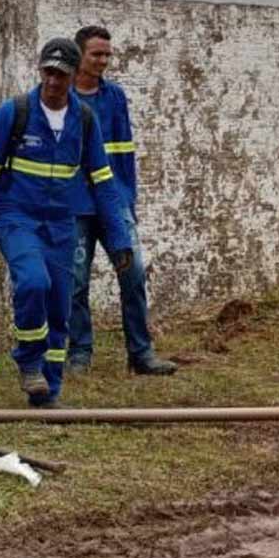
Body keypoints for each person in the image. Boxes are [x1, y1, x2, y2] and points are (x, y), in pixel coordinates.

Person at [0, 38, 133, 408]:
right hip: (17, 218)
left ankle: (47, 393)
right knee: (33, 282)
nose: (54, 81)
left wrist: (119, 239)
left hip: (61, 223)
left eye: (62, 74)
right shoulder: (15, 112)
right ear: (40, 70)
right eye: (48, 72)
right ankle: (28, 360)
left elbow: (104, 182)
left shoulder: (84, 120)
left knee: (60, 305)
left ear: (74, 77)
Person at [67, 25, 177, 377]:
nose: (103, 61)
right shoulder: (60, 98)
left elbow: (124, 152)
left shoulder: (115, 97)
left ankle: (140, 354)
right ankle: (80, 354)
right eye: (96, 54)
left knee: (133, 276)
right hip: (76, 207)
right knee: (76, 283)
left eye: (107, 55)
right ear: (78, 55)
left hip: (114, 204)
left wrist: (128, 200)